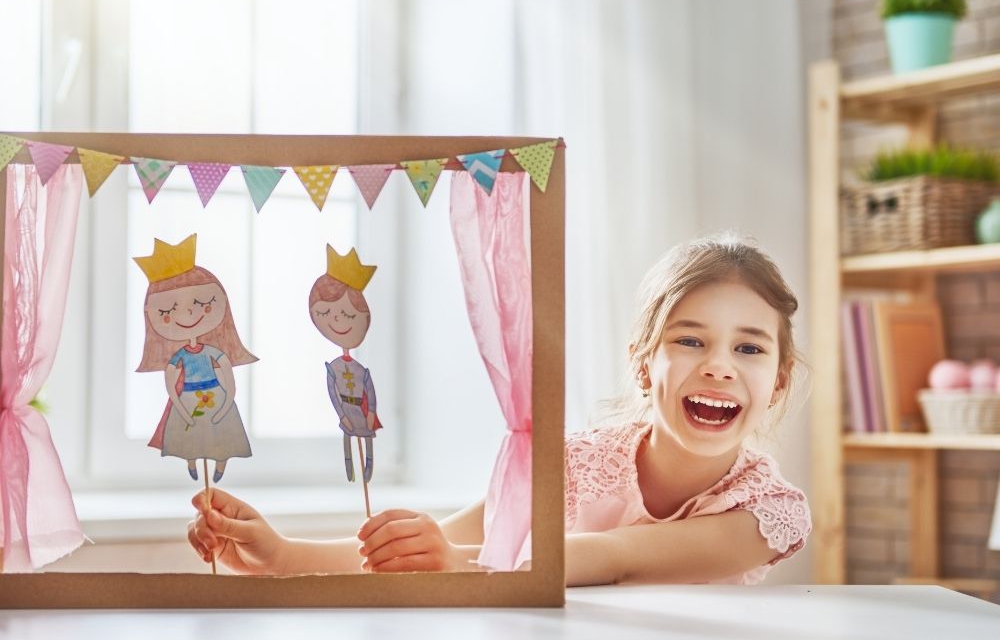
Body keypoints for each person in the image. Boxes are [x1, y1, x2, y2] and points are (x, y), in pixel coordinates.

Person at [187, 232, 811, 584]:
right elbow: (452, 538)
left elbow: (618, 555)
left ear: (778, 382)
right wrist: (283, 554)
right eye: (690, 340)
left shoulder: (770, 513)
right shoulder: (573, 460)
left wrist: (449, 565)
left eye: (749, 347)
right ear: (644, 363)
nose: (719, 365)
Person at [135, 234, 257, 483]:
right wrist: (180, 407)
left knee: (219, 436)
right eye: (168, 311)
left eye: (202, 303)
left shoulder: (213, 352)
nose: (188, 312)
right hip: (189, 398)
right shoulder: (179, 356)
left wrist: (226, 404)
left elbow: (227, 377)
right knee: (192, 438)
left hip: (215, 396)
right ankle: (191, 462)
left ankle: (220, 465)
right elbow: (171, 383)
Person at [310, 245, 382, 484]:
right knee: (349, 439)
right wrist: (342, 415)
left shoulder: (362, 371)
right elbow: (333, 394)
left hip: (361, 411)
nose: (339, 320)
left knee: (366, 439)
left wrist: (371, 412)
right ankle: (351, 469)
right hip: (348, 412)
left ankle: (367, 468)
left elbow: (369, 391)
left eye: (349, 315)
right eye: (327, 314)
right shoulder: (333, 368)